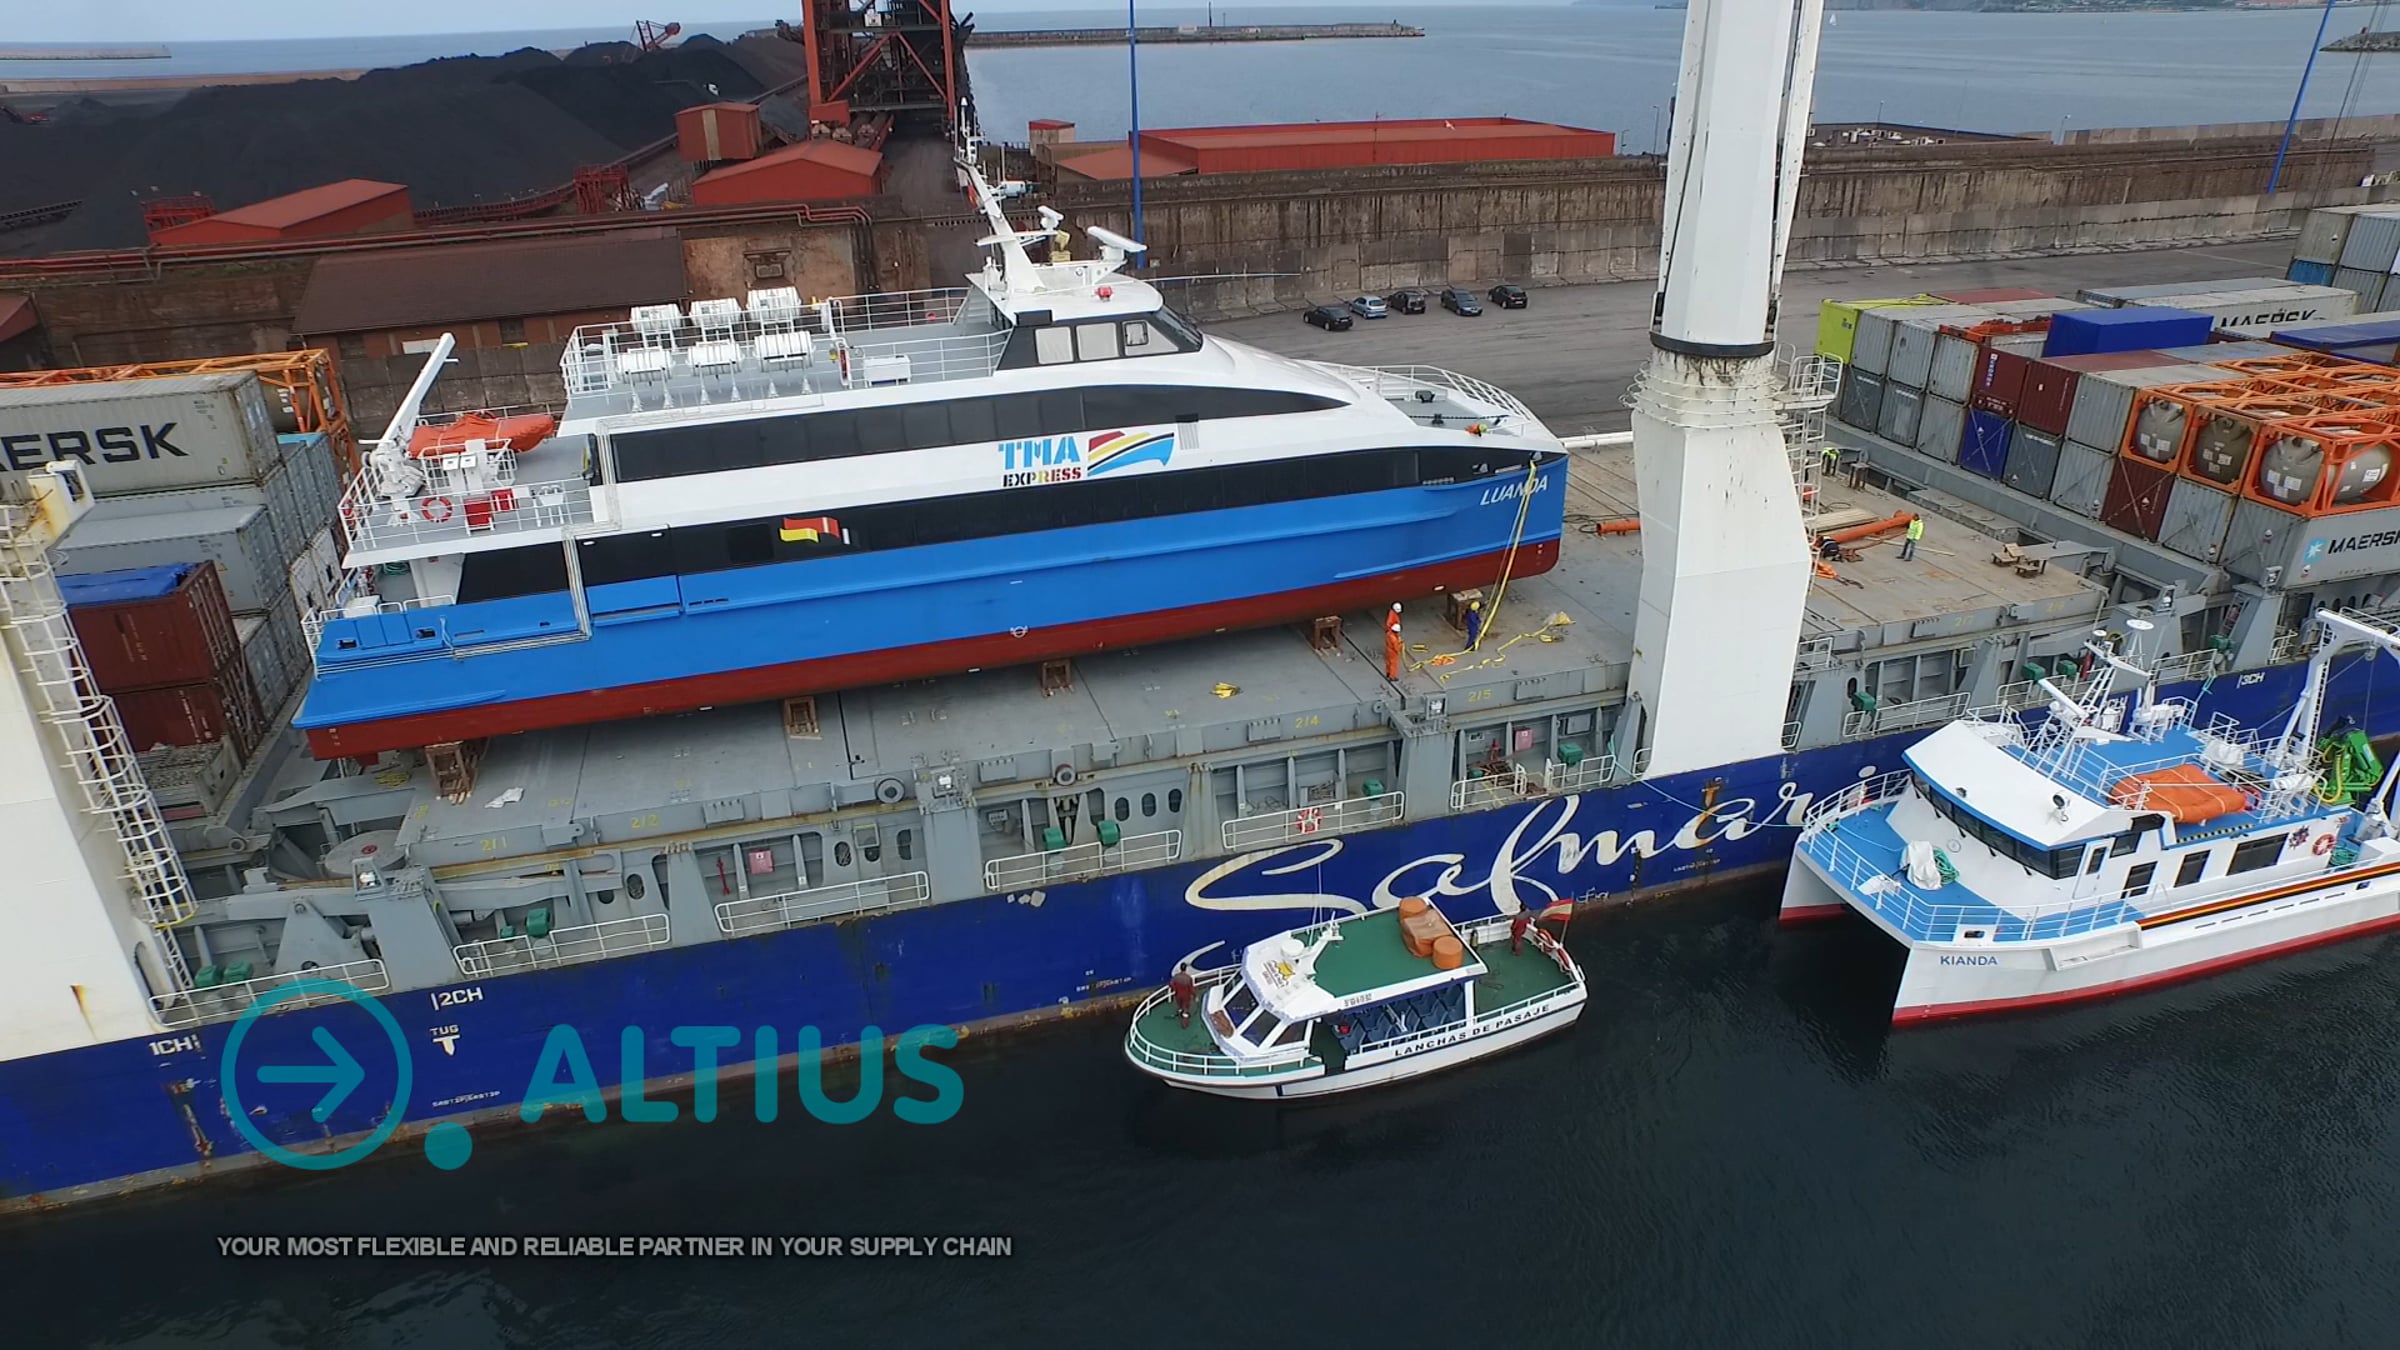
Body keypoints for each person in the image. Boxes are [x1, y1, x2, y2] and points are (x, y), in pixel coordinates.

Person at [1168, 961, 1197, 1027]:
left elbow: (1171, 984)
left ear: (1180, 968)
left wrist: (1175, 989)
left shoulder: (1176, 977)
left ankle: (1180, 1012)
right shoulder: (1188, 978)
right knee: (1186, 1008)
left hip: (1178, 995)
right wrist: (1195, 995)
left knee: (1180, 1006)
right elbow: (1191, 988)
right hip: (1186, 996)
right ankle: (1185, 1023)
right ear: (1185, 968)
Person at [1384, 602, 1403, 681]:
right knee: (1394, 664)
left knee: (1389, 662)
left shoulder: (1389, 634)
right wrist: (1400, 644)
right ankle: (1392, 676)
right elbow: (1396, 647)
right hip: (1393, 652)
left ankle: (1388, 673)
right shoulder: (1393, 638)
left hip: (1388, 649)